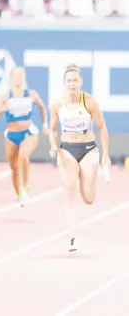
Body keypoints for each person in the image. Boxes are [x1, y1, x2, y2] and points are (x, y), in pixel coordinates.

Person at [48, 64, 110, 253]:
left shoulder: (89, 102)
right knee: (69, 189)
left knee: (89, 198)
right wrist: (53, 145)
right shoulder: (57, 104)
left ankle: (90, 174)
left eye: (75, 80)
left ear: (81, 82)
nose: (72, 83)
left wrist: (105, 155)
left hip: (88, 148)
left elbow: (102, 127)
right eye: (69, 80)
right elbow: (51, 129)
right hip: (67, 149)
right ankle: (72, 237)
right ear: (64, 84)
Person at [0, 67, 49, 207]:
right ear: (11, 79)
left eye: (21, 75)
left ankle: (25, 186)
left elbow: (42, 107)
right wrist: (2, 109)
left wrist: (45, 124)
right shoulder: (6, 96)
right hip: (11, 134)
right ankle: (19, 193)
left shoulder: (30, 94)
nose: (18, 78)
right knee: (13, 167)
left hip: (28, 132)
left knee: (23, 155)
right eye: (16, 76)